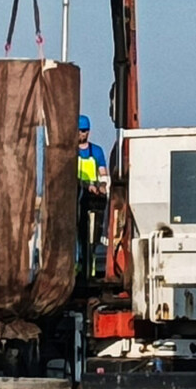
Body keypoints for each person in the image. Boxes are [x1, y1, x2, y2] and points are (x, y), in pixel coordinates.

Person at [77, 115, 109, 276]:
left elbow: (103, 172)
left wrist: (102, 185)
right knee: (78, 234)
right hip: (77, 196)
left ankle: (92, 268)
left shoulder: (96, 151)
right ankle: (79, 266)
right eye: (78, 131)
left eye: (83, 131)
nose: (81, 134)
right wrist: (84, 185)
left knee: (93, 236)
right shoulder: (70, 152)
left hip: (92, 199)